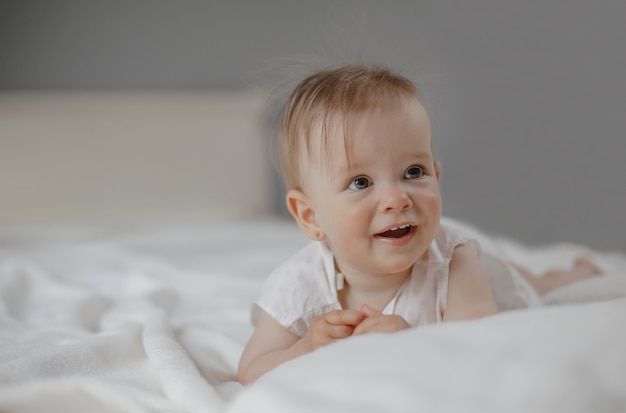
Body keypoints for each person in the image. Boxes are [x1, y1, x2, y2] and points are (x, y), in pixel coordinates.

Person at [237, 64, 600, 384]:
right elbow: (251, 370)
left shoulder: (455, 262)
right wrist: (304, 348)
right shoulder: (299, 284)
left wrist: (413, 341)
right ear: (310, 216)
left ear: (436, 176)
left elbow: (480, 348)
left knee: (533, 280)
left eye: (414, 172)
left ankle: (571, 273)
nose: (397, 198)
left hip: (482, 272)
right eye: (360, 182)